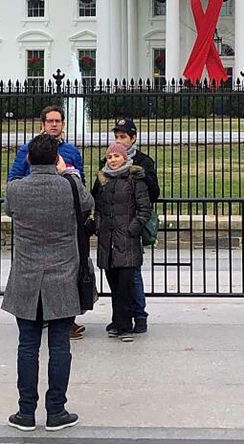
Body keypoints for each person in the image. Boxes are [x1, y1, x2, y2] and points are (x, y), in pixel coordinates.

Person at [2, 133, 90, 432]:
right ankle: (56, 410)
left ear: (28, 158)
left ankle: (25, 411)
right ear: (57, 159)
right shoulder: (70, 185)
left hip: (26, 275)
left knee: (27, 346)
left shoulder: (16, 189)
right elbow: (88, 205)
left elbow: (10, 210)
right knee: (60, 346)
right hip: (62, 274)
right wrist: (69, 172)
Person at [8, 106, 87, 339]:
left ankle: (65, 317)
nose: (54, 125)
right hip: (35, 214)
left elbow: (80, 182)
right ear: (42, 124)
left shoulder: (71, 151)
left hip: (62, 217)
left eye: (57, 121)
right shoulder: (29, 149)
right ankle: (40, 314)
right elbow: (14, 178)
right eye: (50, 121)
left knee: (65, 271)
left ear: (63, 124)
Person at [94, 117, 159, 334]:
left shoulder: (143, 162)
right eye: (116, 137)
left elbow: (152, 195)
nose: (119, 141)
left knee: (132, 277)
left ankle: (139, 316)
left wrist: (133, 228)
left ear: (133, 138)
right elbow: (97, 196)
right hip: (111, 232)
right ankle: (121, 319)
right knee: (116, 279)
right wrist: (99, 225)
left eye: (123, 137)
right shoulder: (106, 165)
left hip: (129, 229)